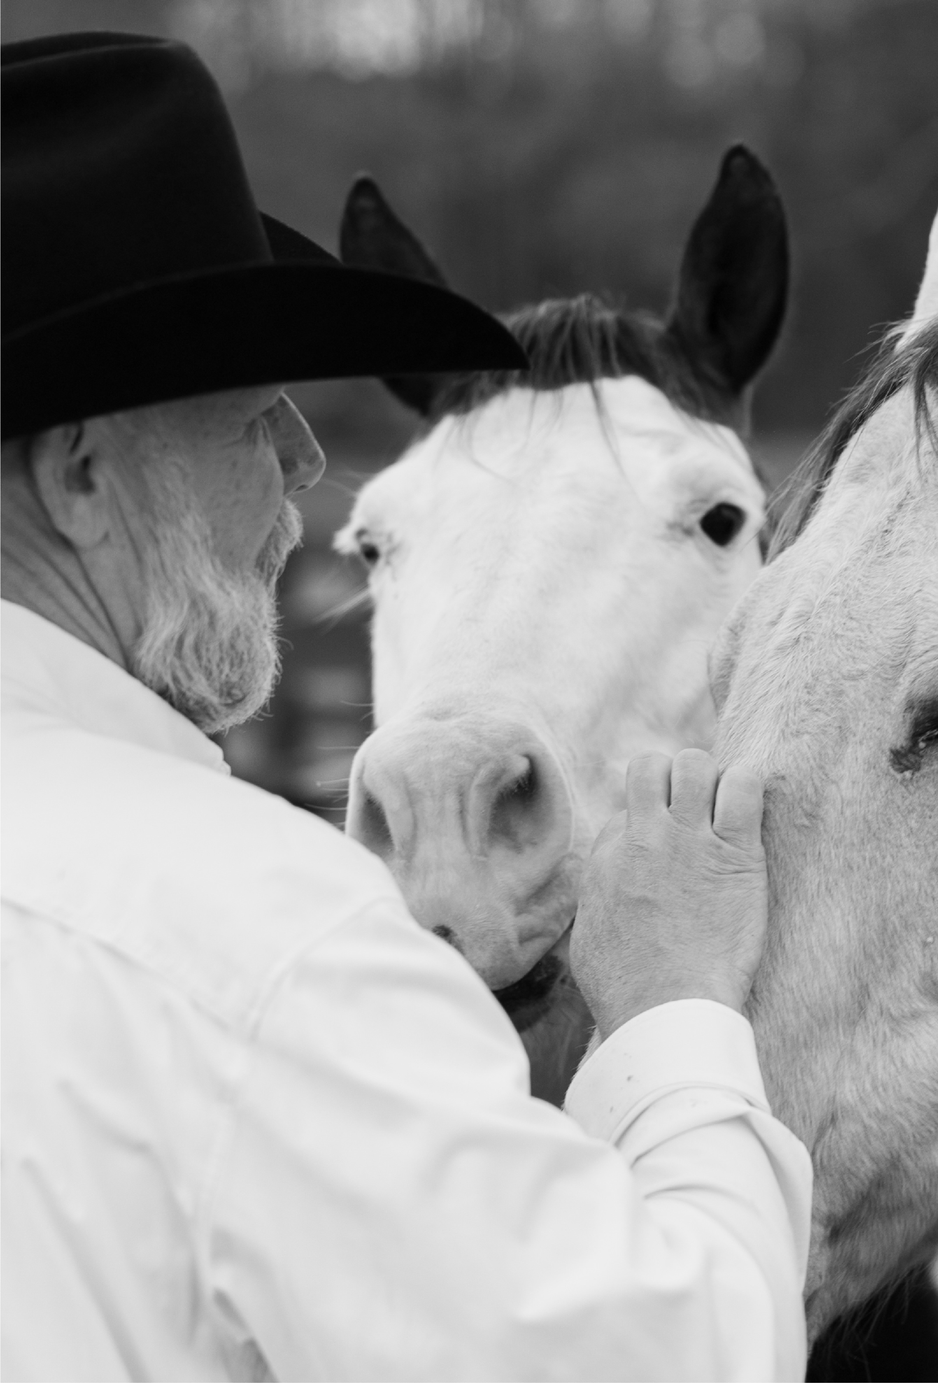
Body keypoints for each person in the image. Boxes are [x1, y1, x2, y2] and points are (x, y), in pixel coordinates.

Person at [1, 32, 810, 1382]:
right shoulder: (264, 948)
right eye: (252, 413)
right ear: (82, 475)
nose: (304, 457)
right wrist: (676, 1014)